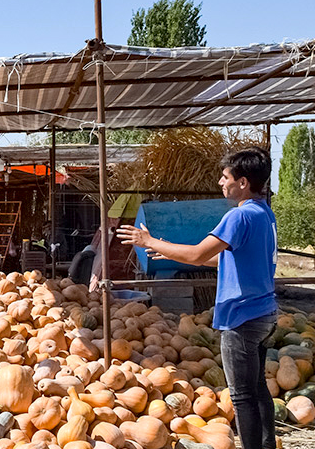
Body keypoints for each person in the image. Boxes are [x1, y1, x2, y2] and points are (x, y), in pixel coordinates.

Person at [117, 147, 277, 449]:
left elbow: (197, 253)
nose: (220, 182)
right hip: (264, 313)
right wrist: (166, 248)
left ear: (242, 182)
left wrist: (149, 240)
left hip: (242, 317)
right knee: (257, 390)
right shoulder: (263, 213)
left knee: (242, 396)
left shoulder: (238, 216)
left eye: (225, 177)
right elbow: (220, 259)